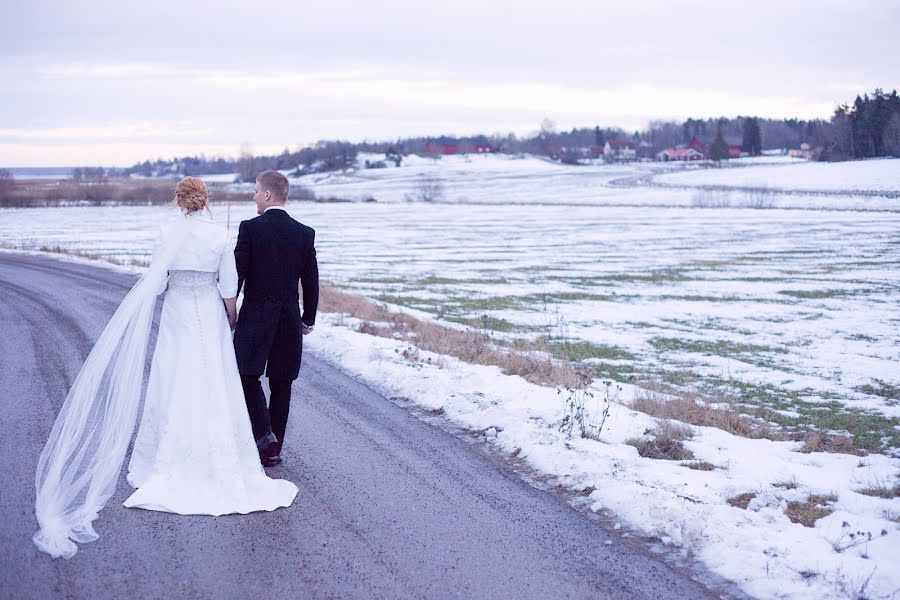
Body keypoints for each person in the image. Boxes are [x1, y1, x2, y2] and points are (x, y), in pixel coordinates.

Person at [33, 177, 298, 560]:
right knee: (213, 382)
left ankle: (165, 459)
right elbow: (228, 287)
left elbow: (157, 285)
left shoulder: (167, 231)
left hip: (176, 312)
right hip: (208, 311)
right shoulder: (219, 236)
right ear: (205, 201)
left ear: (179, 200)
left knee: (175, 380)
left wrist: (173, 284)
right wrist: (232, 318)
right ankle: (222, 457)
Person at [233, 170, 319, 467]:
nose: (254, 196)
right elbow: (311, 281)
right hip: (288, 318)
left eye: (256, 190)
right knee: (282, 382)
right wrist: (308, 317)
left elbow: (237, 276)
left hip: (255, 316)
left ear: (267, 195)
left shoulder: (250, 229)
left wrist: (228, 310)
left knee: (245, 375)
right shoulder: (304, 233)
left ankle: (263, 435)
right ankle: (274, 448)